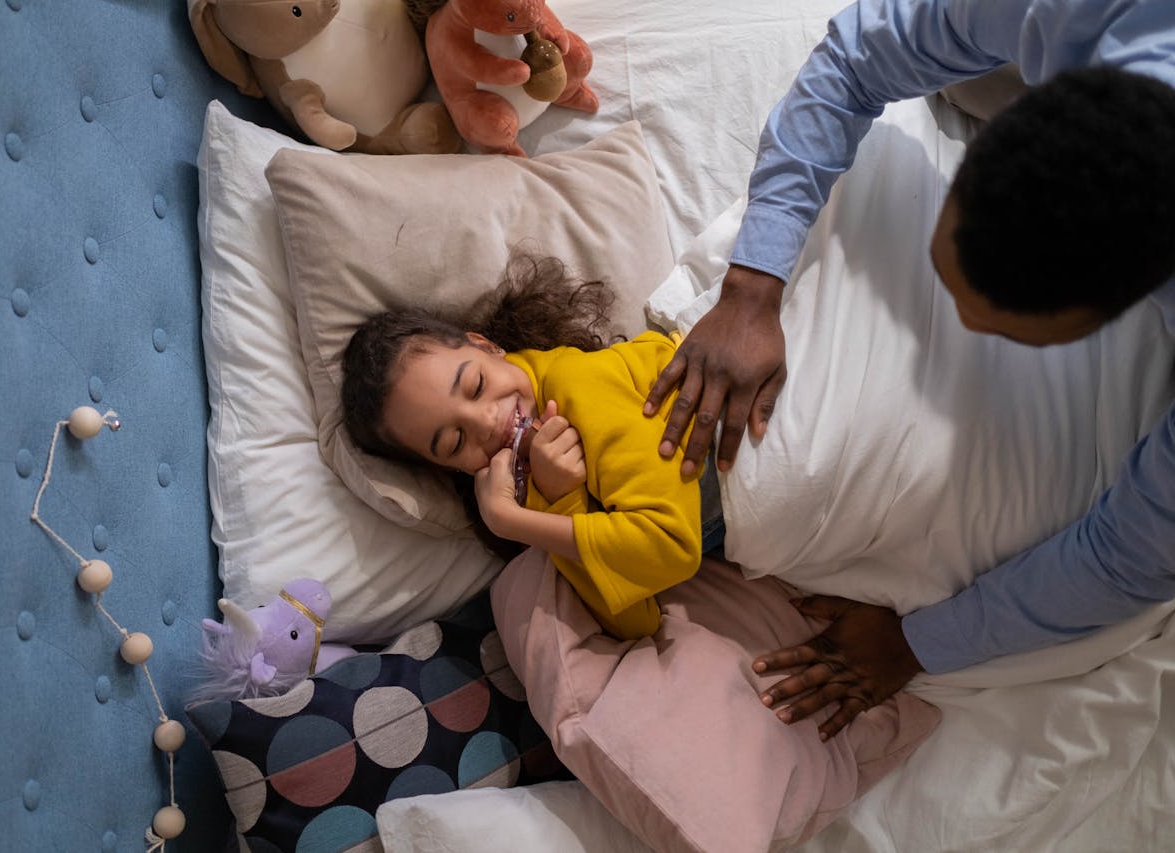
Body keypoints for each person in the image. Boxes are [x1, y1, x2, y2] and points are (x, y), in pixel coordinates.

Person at [641, 0, 1175, 739]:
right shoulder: (1070, 12)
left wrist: (915, 643)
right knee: (952, 74)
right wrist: (752, 284)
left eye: (1004, 332)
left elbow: (1129, 558)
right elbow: (855, 56)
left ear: (1121, 313)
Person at [340, 256, 724, 641]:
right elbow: (637, 622)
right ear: (449, 468)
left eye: (475, 385)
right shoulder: (532, 479)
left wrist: (510, 521)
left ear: (486, 346)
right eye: (455, 442)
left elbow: (670, 546)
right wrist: (565, 499)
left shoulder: (575, 384)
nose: (487, 422)